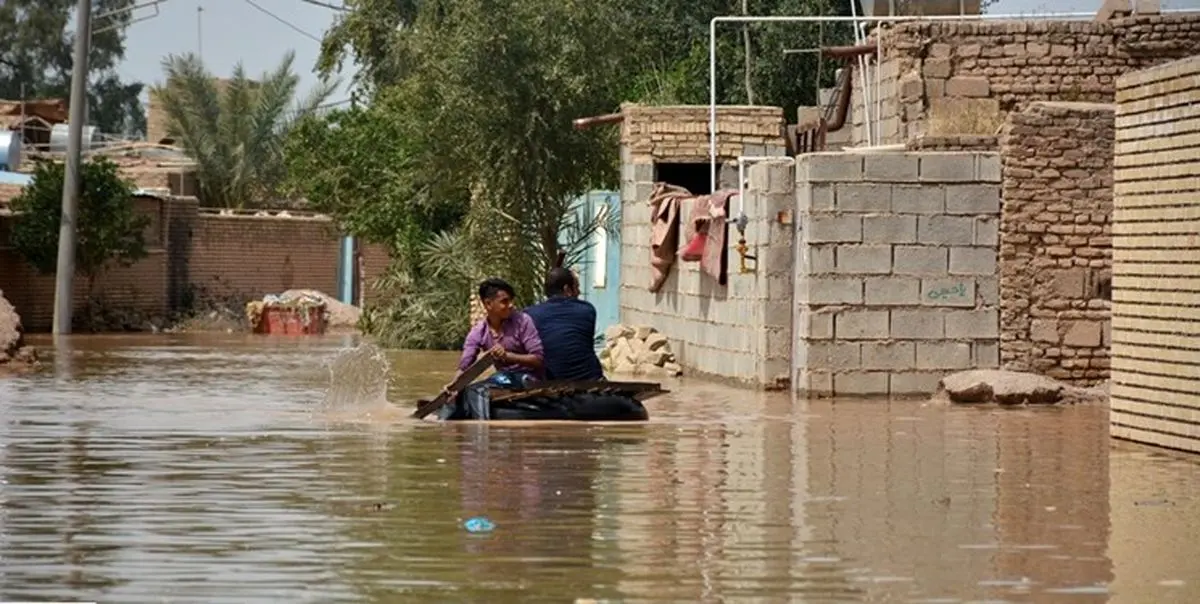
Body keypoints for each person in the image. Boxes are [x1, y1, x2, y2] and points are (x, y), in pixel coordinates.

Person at [444, 278, 544, 396]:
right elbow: (465, 366)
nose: (511, 305)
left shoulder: (523, 321)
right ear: (488, 304)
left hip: (528, 379)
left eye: (511, 300)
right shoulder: (479, 332)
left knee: (479, 390)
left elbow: (538, 359)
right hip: (503, 379)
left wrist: (507, 356)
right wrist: (454, 385)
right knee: (467, 392)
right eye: (504, 301)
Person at [523, 267, 605, 381]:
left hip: (551, 381)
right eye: (577, 287)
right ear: (567, 289)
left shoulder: (529, 314)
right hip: (589, 379)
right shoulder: (587, 309)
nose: (579, 292)